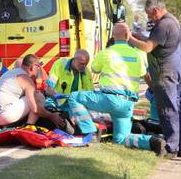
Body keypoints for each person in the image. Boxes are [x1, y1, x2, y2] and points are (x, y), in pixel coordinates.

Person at [65, 23, 166, 155]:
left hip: (108, 99)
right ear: (127, 36)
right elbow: (144, 74)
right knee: (121, 139)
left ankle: (91, 132)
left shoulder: (106, 53)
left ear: (113, 36)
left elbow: (94, 68)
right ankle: (152, 141)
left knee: (74, 97)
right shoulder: (138, 55)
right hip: (127, 104)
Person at [128, 0, 181, 158]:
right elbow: (154, 41)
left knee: (168, 109)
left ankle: (172, 147)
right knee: (177, 109)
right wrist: (140, 35)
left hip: (166, 72)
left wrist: (130, 38)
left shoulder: (163, 24)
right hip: (177, 69)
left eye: (149, 14)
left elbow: (148, 47)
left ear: (155, 11)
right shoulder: (172, 20)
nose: (149, 18)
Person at [0, 54, 64, 127]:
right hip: (3, 115)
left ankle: (2, 127)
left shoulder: (8, 73)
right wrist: (51, 116)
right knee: (38, 96)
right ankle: (29, 126)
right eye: (38, 68)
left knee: (25, 98)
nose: (39, 72)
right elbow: (35, 109)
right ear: (34, 67)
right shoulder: (26, 80)